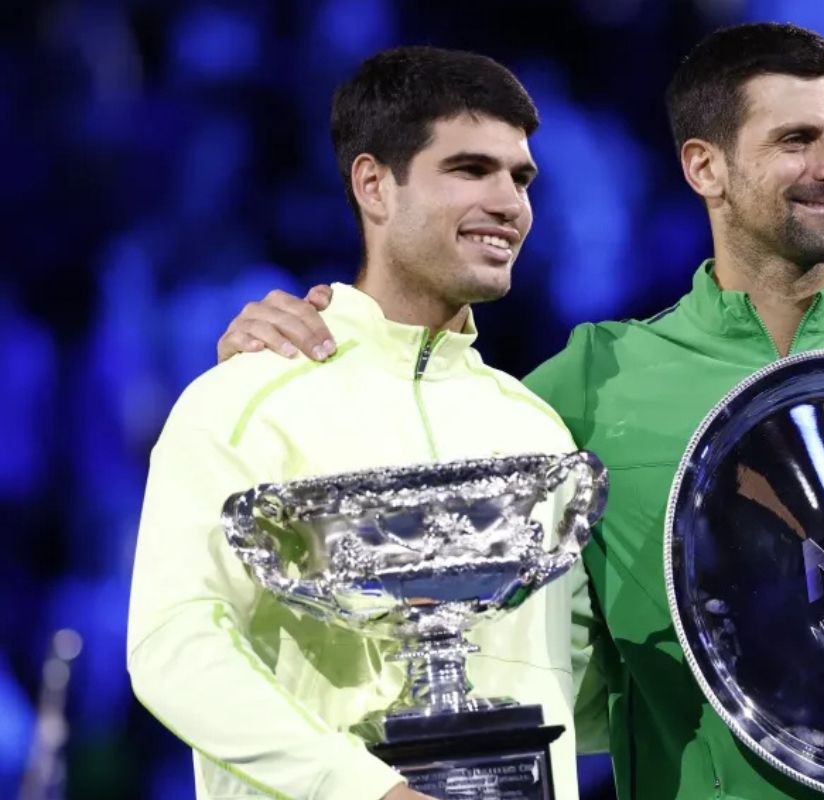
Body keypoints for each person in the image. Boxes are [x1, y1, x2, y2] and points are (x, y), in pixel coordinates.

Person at [217, 24, 824, 800]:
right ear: (704, 166)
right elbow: (420, 451)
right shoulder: (595, 382)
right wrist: (306, 348)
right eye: (796, 140)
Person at [128, 46, 590, 800]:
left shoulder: (533, 428)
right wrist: (367, 791)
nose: (510, 203)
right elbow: (175, 647)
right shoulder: (246, 399)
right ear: (374, 185)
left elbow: (573, 680)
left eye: (521, 177)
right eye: (471, 170)